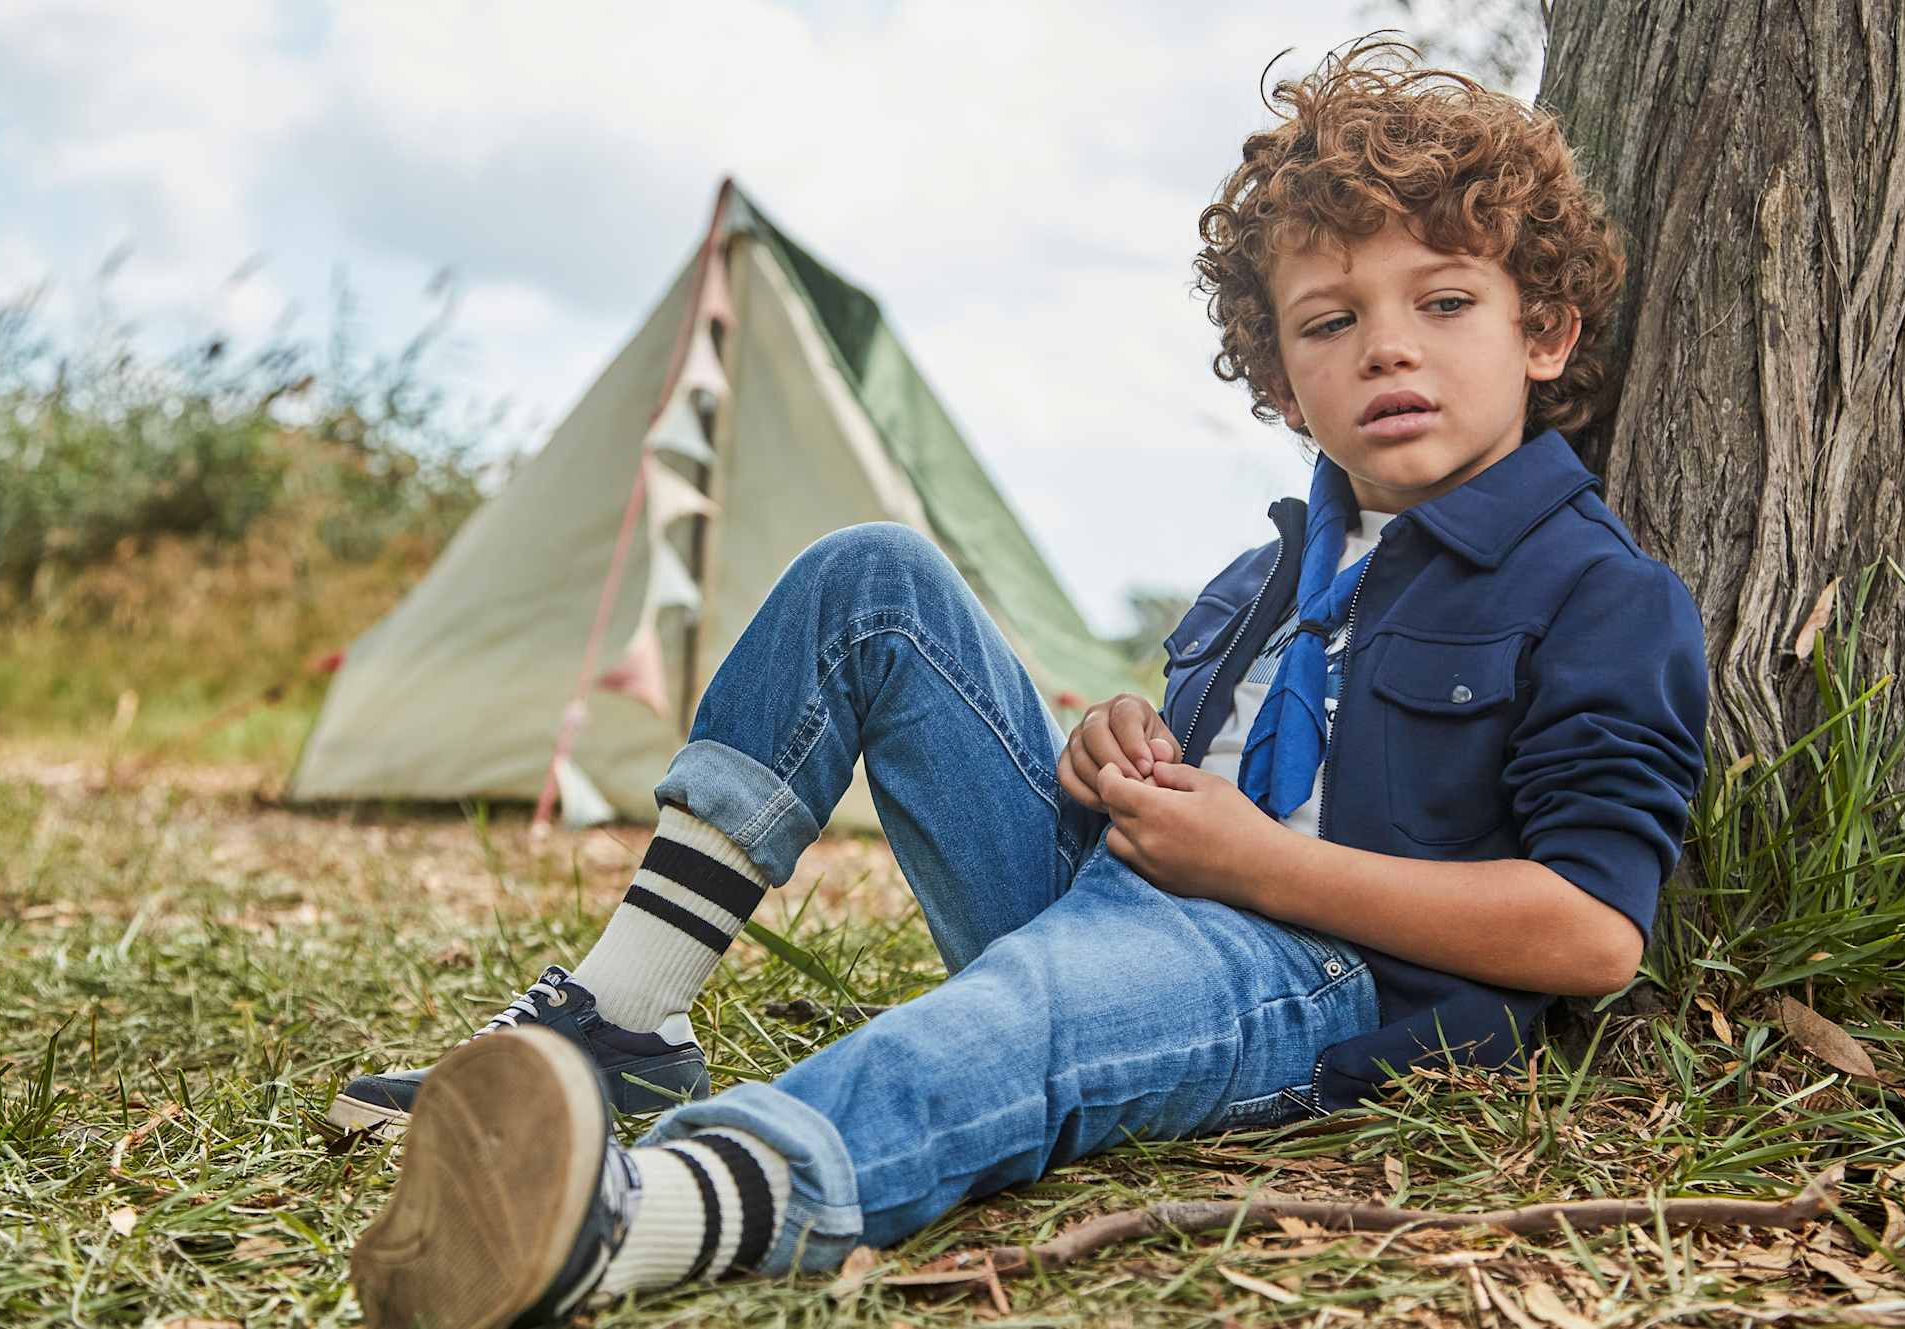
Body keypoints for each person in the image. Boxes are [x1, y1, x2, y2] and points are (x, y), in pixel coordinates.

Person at [345, 40, 1710, 1329]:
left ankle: (639, 1216)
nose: (1389, 348)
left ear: (1545, 333)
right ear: (1286, 385)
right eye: (1331, 321)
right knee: (873, 576)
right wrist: (1113, 746)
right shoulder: (1264, 573)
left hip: (1317, 977)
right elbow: (1187, 781)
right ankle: (625, 1015)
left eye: (1446, 302)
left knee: (1017, 1021)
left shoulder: (1598, 593)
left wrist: (1258, 866)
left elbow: (1593, 933)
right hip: (1115, 896)